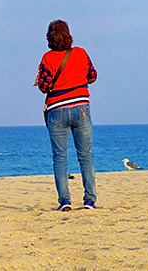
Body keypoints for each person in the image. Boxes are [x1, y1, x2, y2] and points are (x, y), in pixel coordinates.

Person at [35, 19, 98, 211]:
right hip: (81, 108)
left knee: (60, 158)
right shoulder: (80, 53)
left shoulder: (47, 58)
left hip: (57, 110)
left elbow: (44, 86)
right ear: (68, 35)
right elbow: (92, 76)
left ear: (49, 38)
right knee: (85, 156)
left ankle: (64, 201)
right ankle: (89, 200)